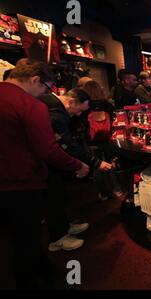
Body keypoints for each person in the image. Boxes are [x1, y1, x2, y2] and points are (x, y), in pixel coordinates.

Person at [0, 58, 89, 288]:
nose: (45, 94)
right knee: (25, 239)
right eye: (45, 88)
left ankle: (44, 268)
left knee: (19, 235)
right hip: (20, 182)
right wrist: (78, 166)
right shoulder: (30, 105)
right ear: (35, 80)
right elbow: (48, 149)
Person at [38, 88, 113, 252]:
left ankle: (63, 227)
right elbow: (67, 144)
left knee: (59, 196)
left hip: (48, 163)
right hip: (44, 165)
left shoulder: (50, 105)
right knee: (53, 198)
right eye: (79, 110)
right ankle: (57, 238)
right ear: (71, 102)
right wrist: (92, 162)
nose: (79, 115)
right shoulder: (56, 115)